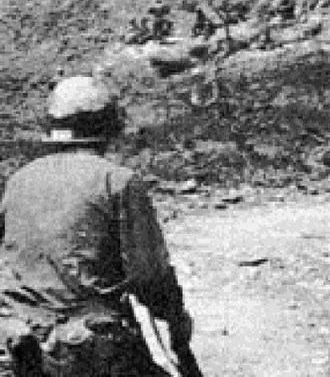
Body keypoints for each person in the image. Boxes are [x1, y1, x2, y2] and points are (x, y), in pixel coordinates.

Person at [0, 74, 196, 377]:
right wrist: (175, 319)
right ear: (107, 127)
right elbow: (149, 275)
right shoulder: (118, 181)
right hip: (88, 347)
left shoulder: (19, 180)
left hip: (22, 343)